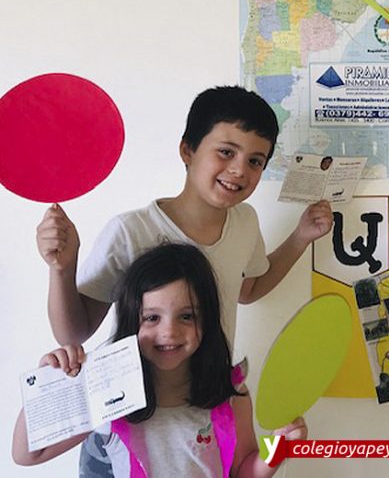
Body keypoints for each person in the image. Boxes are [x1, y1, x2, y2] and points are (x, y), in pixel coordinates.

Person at [36, 85, 332, 351]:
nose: (239, 170)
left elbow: (248, 290)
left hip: (213, 392)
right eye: (226, 152)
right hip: (142, 395)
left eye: (255, 161)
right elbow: (73, 334)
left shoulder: (245, 221)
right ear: (187, 150)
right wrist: (62, 268)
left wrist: (300, 237)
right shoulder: (131, 231)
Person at [13, 243, 306, 476]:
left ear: (207, 320)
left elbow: (243, 471)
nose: (169, 332)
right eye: (152, 318)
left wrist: (278, 451)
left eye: (187, 316)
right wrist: (51, 386)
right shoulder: (106, 390)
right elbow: (28, 454)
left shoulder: (230, 392)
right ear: (132, 321)